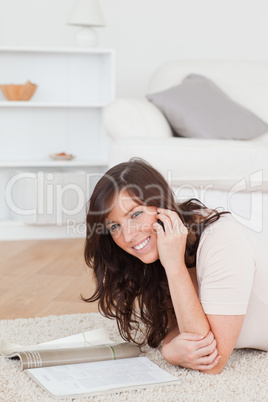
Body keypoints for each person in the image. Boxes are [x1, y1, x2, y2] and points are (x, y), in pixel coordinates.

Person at [83, 158, 268, 374]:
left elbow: (211, 361)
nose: (128, 236)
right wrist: (170, 348)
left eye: (135, 214)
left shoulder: (221, 241)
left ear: (161, 204)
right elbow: (178, 325)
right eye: (115, 226)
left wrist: (174, 265)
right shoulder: (164, 245)